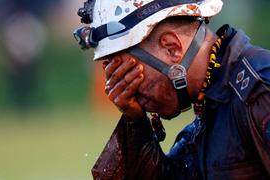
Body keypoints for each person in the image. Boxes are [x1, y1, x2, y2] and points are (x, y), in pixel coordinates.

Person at [74, 0, 270, 179]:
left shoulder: (260, 91)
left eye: (128, 72)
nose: (128, 90)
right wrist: (135, 123)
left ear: (171, 48)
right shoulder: (211, 105)